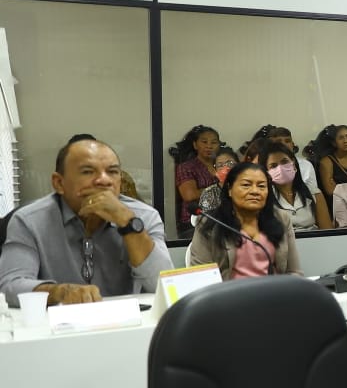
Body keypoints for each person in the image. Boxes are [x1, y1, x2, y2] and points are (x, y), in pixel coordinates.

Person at [0, 136, 170, 305]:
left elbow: (163, 284)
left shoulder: (144, 217)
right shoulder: (29, 221)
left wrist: (128, 224)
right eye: (88, 171)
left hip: (126, 324)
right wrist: (60, 292)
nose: (104, 180)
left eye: (112, 171)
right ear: (59, 183)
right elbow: (11, 286)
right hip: (57, 326)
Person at [186, 163, 303, 279]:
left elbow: (294, 271)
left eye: (261, 186)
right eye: (246, 185)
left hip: (274, 294)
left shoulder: (281, 218)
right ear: (230, 190)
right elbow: (201, 278)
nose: (255, 191)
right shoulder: (210, 223)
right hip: (228, 295)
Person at [256, 139, 331, 232]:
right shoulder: (263, 197)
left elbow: (327, 232)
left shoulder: (314, 193)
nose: (280, 168)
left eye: (284, 162)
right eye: (274, 166)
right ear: (266, 172)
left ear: (294, 164)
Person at [169, 124, 221, 235]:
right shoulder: (186, 167)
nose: (209, 146)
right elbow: (190, 195)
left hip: (222, 220)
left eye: (214, 142)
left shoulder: (223, 166)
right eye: (204, 142)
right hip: (194, 223)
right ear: (195, 145)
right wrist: (220, 188)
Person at [314, 124, 347, 203]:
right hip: (341, 205)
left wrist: (340, 188)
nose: (345, 141)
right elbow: (330, 190)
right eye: (341, 138)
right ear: (334, 143)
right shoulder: (327, 161)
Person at [195, 146, 240, 215]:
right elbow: (206, 222)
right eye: (220, 165)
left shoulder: (246, 189)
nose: (226, 168)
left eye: (230, 164)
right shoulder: (209, 193)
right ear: (215, 170)